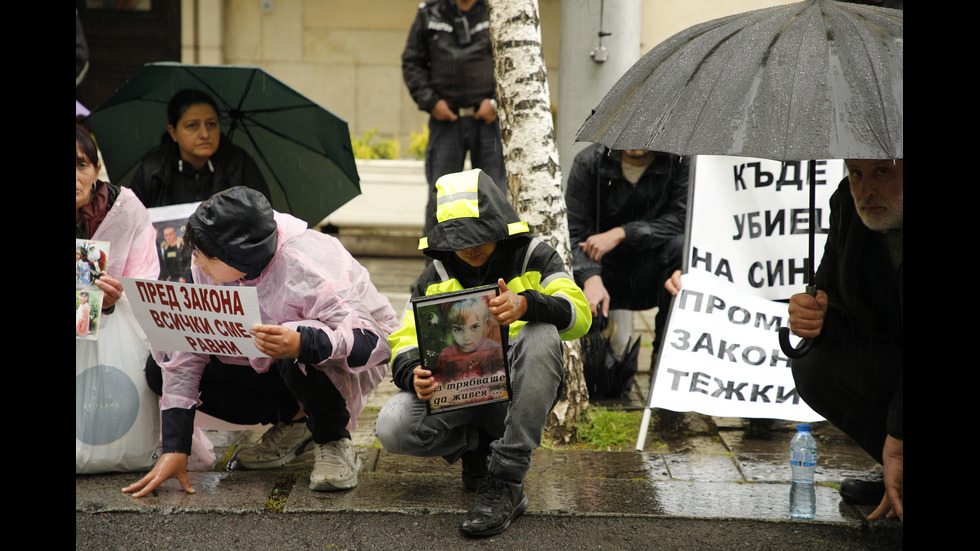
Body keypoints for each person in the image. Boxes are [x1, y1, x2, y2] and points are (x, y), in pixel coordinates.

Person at [123, 186, 399, 498]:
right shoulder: (211, 262)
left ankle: (333, 439)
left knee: (293, 333)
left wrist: (302, 343)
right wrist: (176, 447)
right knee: (158, 367)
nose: (196, 263)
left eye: (204, 255)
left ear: (238, 255)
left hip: (344, 365)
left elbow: (374, 344)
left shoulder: (307, 263)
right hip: (265, 355)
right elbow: (188, 351)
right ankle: (297, 420)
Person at [376, 169, 591, 537]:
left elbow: (579, 314)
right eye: (461, 239)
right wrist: (413, 371)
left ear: (498, 226)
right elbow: (405, 336)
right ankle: (478, 449)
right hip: (457, 395)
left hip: (519, 393)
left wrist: (527, 305)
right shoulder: (437, 271)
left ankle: (506, 478)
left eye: (481, 237)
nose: (472, 248)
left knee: (542, 334)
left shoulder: (533, 256)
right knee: (392, 427)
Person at [788, 159, 903, 522]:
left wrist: (898, 441)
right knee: (816, 365)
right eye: (856, 173)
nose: (865, 190)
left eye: (882, 172)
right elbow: (834, 295)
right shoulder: (847, 206)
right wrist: (814, 314)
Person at [565, 144, 688, 392]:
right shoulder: (588, 162)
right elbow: (573, 231)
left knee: (682, 250)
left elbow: (682, 219)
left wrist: (622, 233)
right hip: (601, 270)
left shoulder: (680, 161)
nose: (635, 141)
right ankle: (585, 360)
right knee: (567, 268)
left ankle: (665, 359)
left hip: (655, 267)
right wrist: (590, 277)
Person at [401, 0, 507, 237]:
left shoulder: (498, 10)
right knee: (441, 195)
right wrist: (432, 102)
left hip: (488, 122)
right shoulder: (430, 12)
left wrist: (495, 103)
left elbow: (513, 62)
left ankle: (498, 264)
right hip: (446, 121)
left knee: (495, 195)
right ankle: (437, 267)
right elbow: (412, 62)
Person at [128, 89, 271, 209]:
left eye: (211, 124)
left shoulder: (239, 165)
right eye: (192, 125)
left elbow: (262, 220)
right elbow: (133, 224)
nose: (205, 134)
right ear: (173, 132)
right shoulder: (153, 171)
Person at [76, 123, 160, 310]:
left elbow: (144, 285)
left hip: (113, 332)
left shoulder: (125, 211)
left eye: (82, 165)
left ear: (96, 172)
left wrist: (117, 299)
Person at [436, 296, 505, 384]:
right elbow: (439, 380)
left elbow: (505, 370)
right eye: (458, 329)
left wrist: (500, 375)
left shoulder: (493, 349)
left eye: (474, 327)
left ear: (485, 324)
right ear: (450, 329)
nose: (467, 337)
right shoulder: (446, 355)